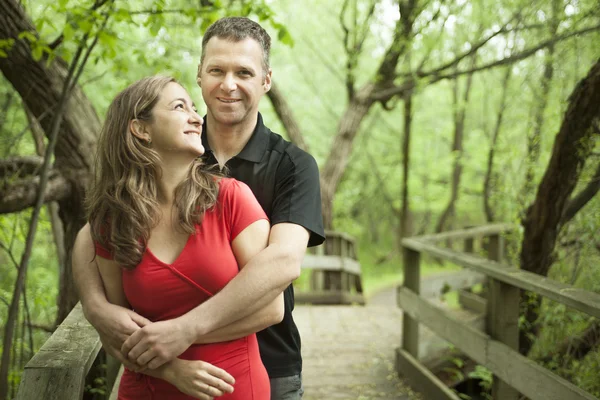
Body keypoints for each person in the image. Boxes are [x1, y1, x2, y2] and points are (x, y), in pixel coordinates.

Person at [72, 16, 325, 400]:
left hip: (269, 365)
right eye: (216, 70)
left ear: (266, 81)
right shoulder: (175, 146)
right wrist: (93, 303)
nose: (228, 84)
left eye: (244, 72)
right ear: (200, 75)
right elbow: (104, 224)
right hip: (158, 371)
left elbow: (283, 263)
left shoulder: (291, 165)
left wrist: (184, 330)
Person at [86, 74, 277, 399]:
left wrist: (183, 333)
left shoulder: (232, 198)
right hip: (147, 389)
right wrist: (172, 371)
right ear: (141, 129)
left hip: (231, 387)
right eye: (179, 107)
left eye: (193, 107)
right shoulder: (113, 221)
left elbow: (271, 309)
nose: (195, 117)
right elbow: (115, 332)